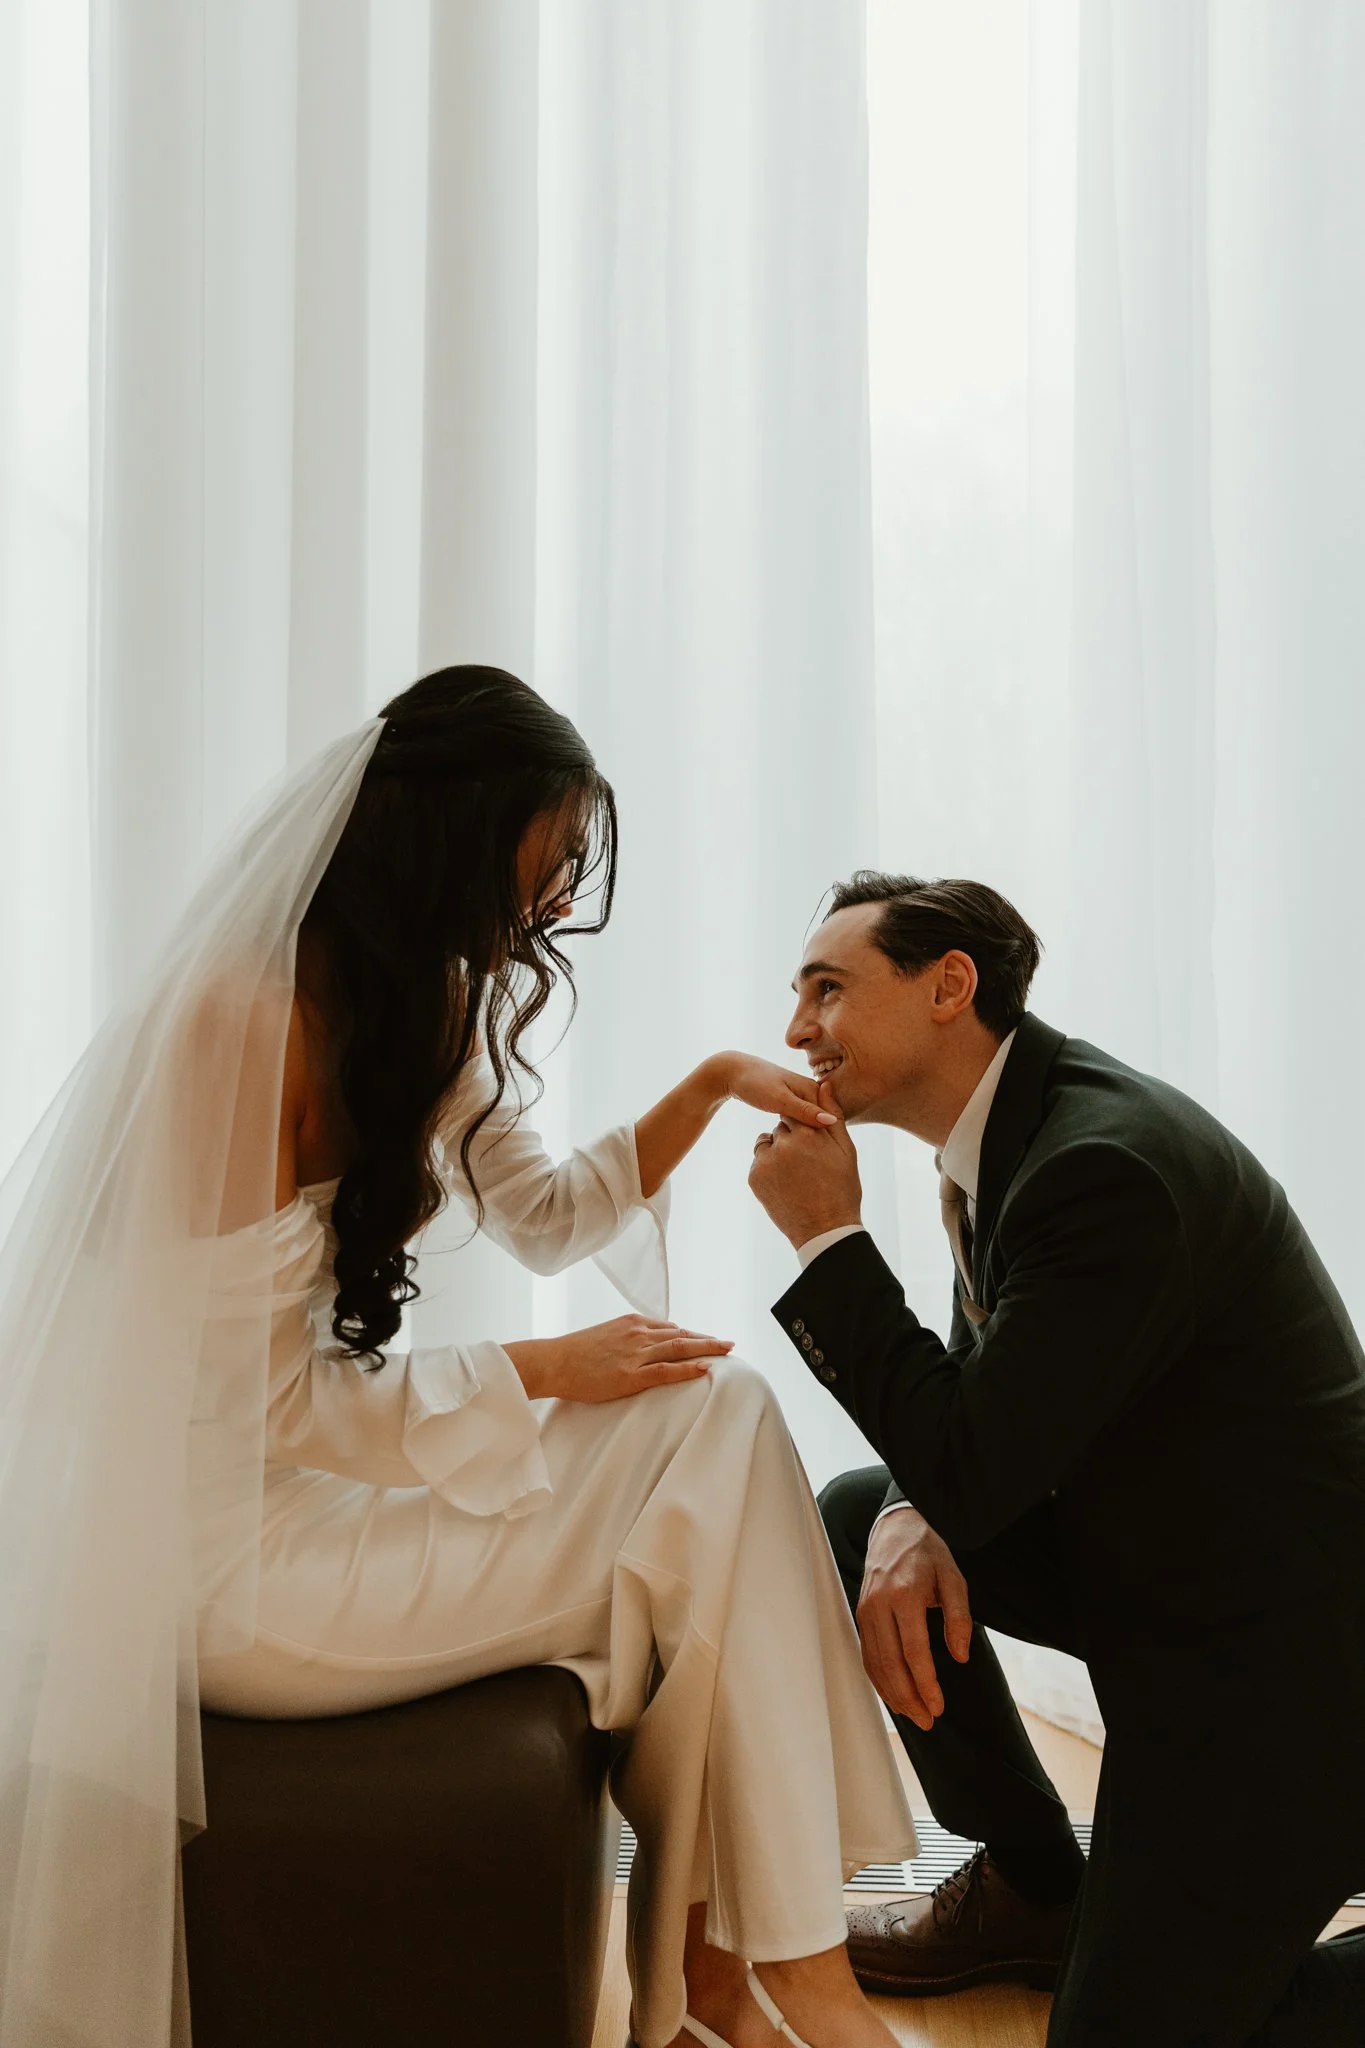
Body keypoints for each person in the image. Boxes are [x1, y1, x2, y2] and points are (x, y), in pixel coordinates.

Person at [0, 671, 913, 2048]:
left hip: (318, 1498)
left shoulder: (420, 1004)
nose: (541, 912)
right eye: (537, 868)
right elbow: (274, 1408)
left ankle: (744, 1971)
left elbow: (553, 1217)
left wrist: (720, 1082)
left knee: (713, 1412)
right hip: (230, 1568)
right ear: (443, 834)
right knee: (691, 1481)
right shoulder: (241, 1029)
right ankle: (763, 1976)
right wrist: (552, 1375)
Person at [746, 871, 1365, 2047]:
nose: (795, 1029)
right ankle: (1037, 1883)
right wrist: (922, 1505)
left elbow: (980, 1456)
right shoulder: (1012, 1132)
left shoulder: (1102, 1167)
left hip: (1283, 1673)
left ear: (949, 985)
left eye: (828, 987)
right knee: (863, 1510)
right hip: (1159, 1564)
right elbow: (991, 1412)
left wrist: (827, 1236)